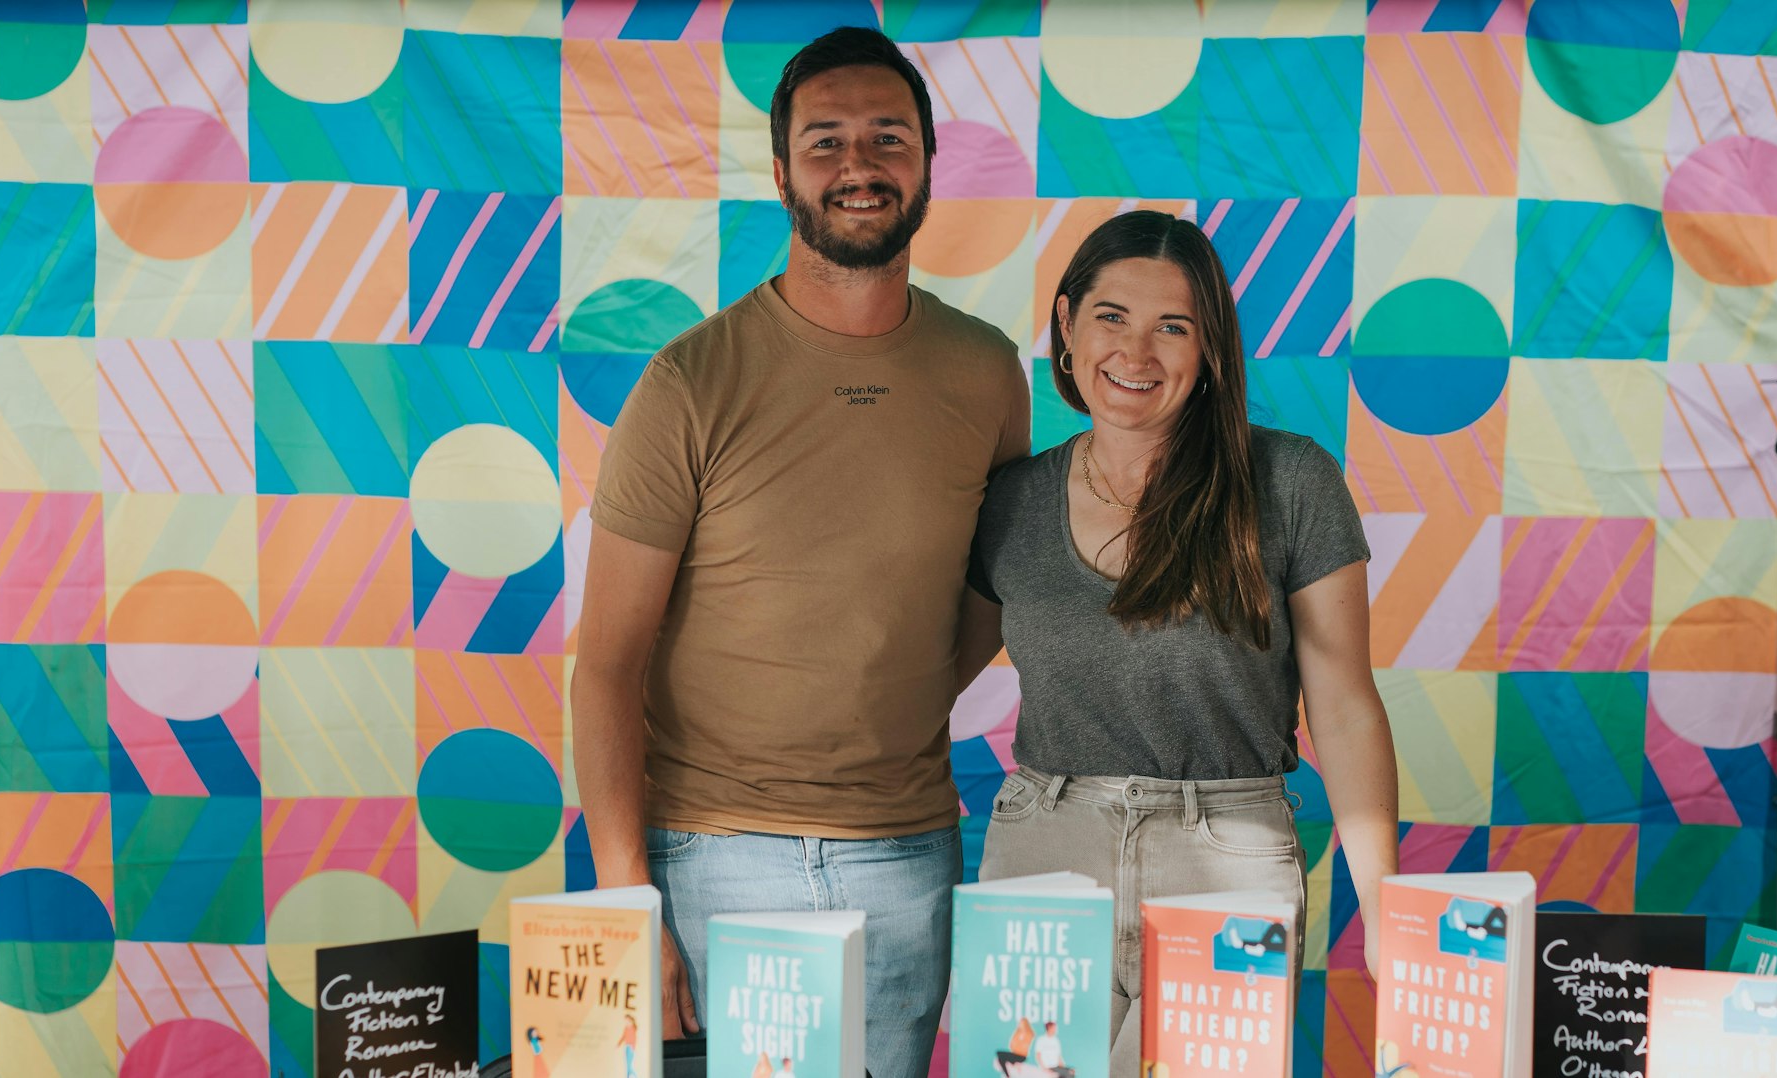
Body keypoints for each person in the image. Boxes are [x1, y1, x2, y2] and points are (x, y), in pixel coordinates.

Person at [571, 24, 1031, 1078]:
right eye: (826, 142)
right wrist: (622, 893)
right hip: (711, 855)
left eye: (887, 137)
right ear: (781, 172)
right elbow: (607, 662)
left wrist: (885, 691)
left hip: (909, 851)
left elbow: (986, 592)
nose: (858, 165)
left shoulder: (986, 374)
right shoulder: (690, 383)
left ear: (925, 162)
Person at [958, 211, 1399, 1074]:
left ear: (1210, 352)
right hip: (1045, 852)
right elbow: (927, 677)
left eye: (1174, 327)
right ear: (1067, 326)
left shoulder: (1290, 480)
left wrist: (1383, 901)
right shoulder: (1010, 503)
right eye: (1112, 316)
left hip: (1227, 857)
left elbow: (1344, 708)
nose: (1136, 351)